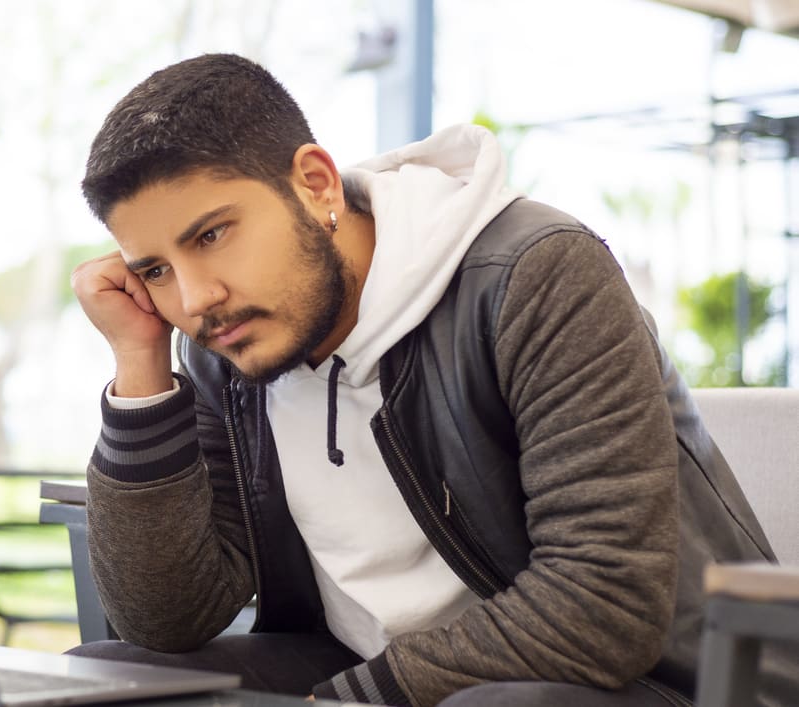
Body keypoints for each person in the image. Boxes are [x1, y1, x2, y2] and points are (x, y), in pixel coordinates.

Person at [67, 53, 796, 707]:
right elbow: (167, 619)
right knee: (110, 678)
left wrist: (347, 699)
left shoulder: (533, 276)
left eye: (212, 234)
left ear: (315, 184)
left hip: (660, 681)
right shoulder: (226, 348)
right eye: (155, 269)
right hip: (377, 669)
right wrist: (140, 370)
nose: (193, 298)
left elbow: (602, 605)